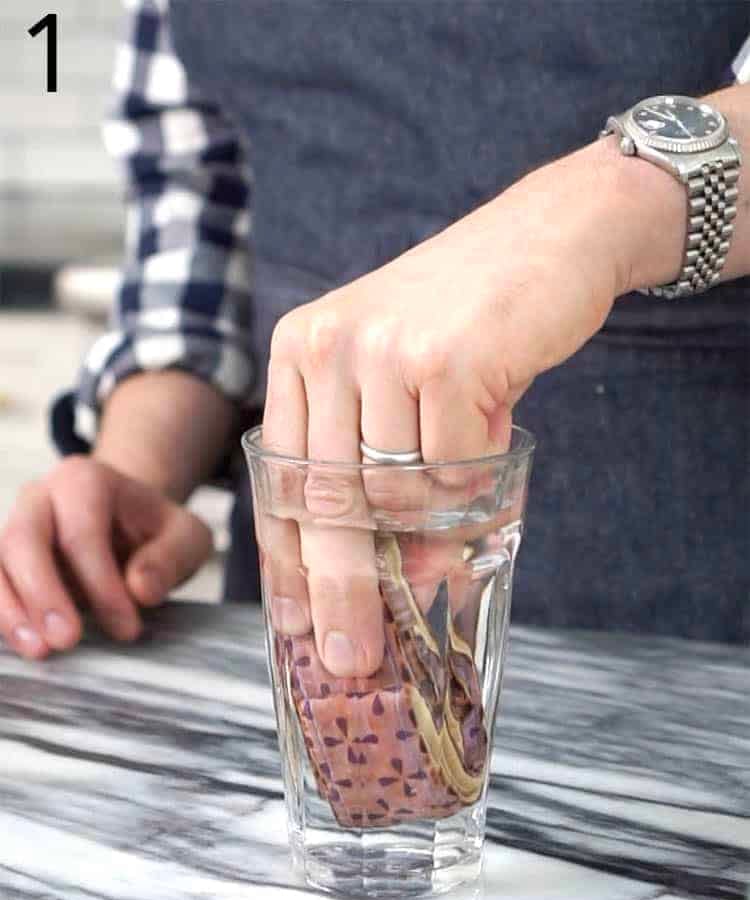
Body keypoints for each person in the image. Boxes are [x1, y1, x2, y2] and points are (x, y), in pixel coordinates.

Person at [1, 1, 749, 671]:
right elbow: (200, 189)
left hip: (699, 627)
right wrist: (136, 468)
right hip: (299, 648)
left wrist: (616, 200)